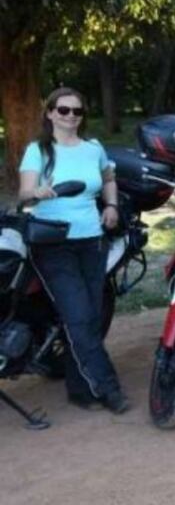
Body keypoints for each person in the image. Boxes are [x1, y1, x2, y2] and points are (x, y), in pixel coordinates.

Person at [18, 87, 129, 413]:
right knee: (79, 316)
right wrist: (37, 192)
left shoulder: (93, 148)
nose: (70, 117)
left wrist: (110, 206)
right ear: (50, 113)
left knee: (89, 317)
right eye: (63, 110)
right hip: (53, 244)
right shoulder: (38, 150)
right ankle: (109, 389)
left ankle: (79, 389)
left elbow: (108, 178)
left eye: (77, 111)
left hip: (91, 240)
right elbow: (24, 194)